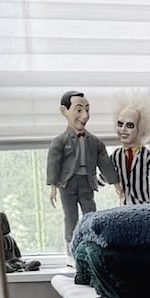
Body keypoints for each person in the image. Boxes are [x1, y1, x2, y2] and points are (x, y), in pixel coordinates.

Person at [45, 90, 117, 243]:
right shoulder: (60, 141)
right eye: (79, 110)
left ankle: (92, 242)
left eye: (87, 110)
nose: (85, 116)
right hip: (67, 183)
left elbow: (104, 162)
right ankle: (71, 246)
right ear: (64, 111)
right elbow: (53, 162)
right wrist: (53, 185)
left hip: (86, 182)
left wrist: (115, 182)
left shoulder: (94, 141)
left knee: (90, 214)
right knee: (71, 216)